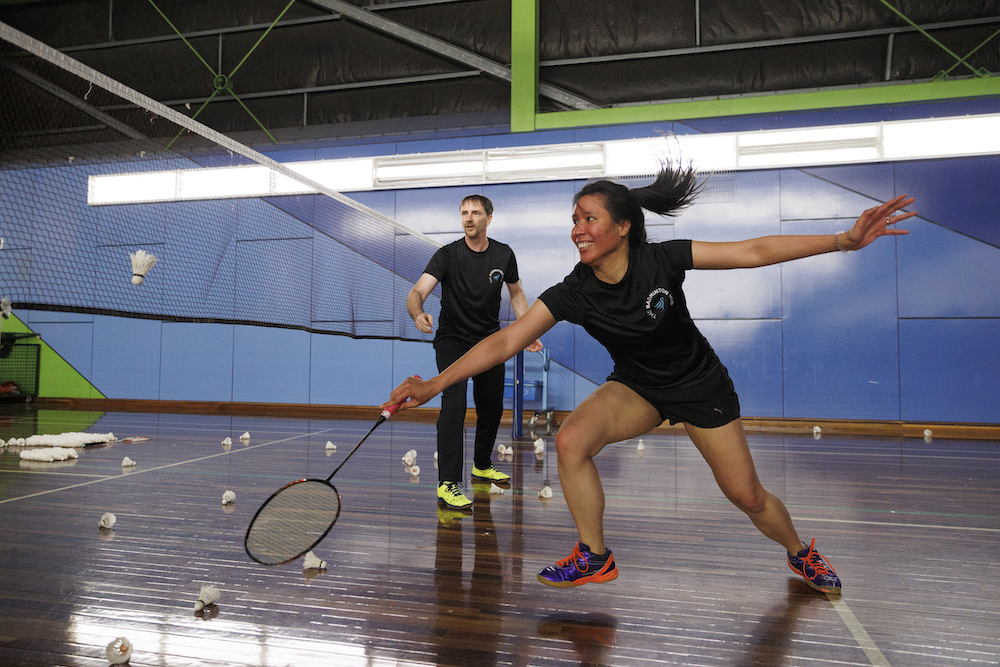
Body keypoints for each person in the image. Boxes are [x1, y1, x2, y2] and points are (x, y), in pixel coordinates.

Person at [389, 162, 915, 594]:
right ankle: (595, 556)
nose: (578, 229)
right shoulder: (576, 289)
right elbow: (505, 340)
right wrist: (434, 385)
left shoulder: (661, 261)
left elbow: (752, 252)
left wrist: (843, 240)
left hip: (699, 384)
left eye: (589, 218)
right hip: (637, 386)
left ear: (622, 227)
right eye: (574, 219)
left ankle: (801, 554)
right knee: (571, 440)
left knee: (747, 495)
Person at [408, 194, 542, 511]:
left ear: (488, 218)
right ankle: (447, 483)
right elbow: (417, 291)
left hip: (488, 341)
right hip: (453, 339)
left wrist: (527, 329)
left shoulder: (503, 255)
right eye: (464, 213)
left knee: (492, 405)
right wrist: (417, 312)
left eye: (476, 213)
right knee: (453, 402)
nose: (469, 218)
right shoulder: (447, 255)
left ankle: (481, 465)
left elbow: (517, 292)